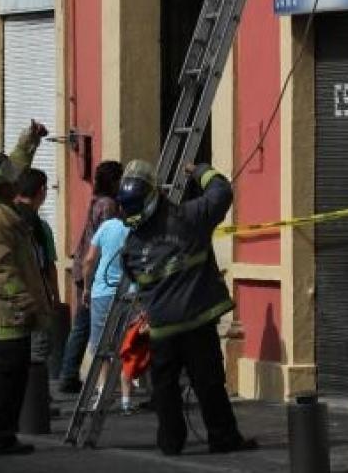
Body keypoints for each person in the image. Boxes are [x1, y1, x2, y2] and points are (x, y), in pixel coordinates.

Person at [117, 159, 257, 456]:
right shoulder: (189, 217)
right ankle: (222, 438)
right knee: (209, 385)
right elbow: (221, 192)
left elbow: (135, 280)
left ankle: (170, 443)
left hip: (161, 331)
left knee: (165, 390)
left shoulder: (131, 246)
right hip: (195, 323)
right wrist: (200, 171)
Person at [0, 120, 53, 458]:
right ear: (0, 185)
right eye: (8, 180)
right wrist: (25, 301)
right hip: (9, 311)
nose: (15, 182)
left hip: (1, 310)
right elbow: (2, 269)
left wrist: (29, 141)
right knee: (8, 380)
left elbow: (13, 166)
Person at [58, 159, 123, 394]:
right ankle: (70, 374)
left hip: (85, 266)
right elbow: (109, 240)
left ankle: (68, 373)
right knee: (86, 325)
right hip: (94, 271)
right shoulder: (108, 205)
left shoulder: (97, 201)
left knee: (82, 325)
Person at [80, 211, 135, 413]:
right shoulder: (137, 228)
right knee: (127, 344)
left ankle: (103, 392)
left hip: (102, 291)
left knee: (100, 345)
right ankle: (126, 399)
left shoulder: (107, 227)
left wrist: (86, 287)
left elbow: (89, 260)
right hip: (130, 292)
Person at [14, 167, 60, 365]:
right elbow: (48, 266)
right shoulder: (41, 227)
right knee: (38, 353)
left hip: (9, 299)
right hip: (35, 297)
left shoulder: (7, 218)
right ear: (41, 191)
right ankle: (36, 394)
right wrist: (55, 298)